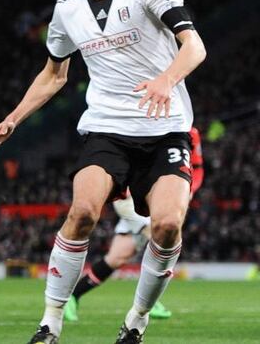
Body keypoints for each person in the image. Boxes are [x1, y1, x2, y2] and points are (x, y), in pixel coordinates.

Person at [0, 0, 206, 344]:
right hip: (106, 131)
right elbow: (54, 75)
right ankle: (51, 322)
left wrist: (166, 79)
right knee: (82, 212)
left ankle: (136, 322)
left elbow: (194, 46)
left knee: (165, 226)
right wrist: (13, 118)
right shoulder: (68, 9)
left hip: (165, 130)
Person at [64, 127, 204, 322]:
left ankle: (73, 296)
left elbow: (197, 167)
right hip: (132, 196)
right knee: (158, 234)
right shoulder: (134, 117)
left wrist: (188, 189)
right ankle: (150, 299)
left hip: (161, 197)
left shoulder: (189, 131)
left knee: (117, 257)